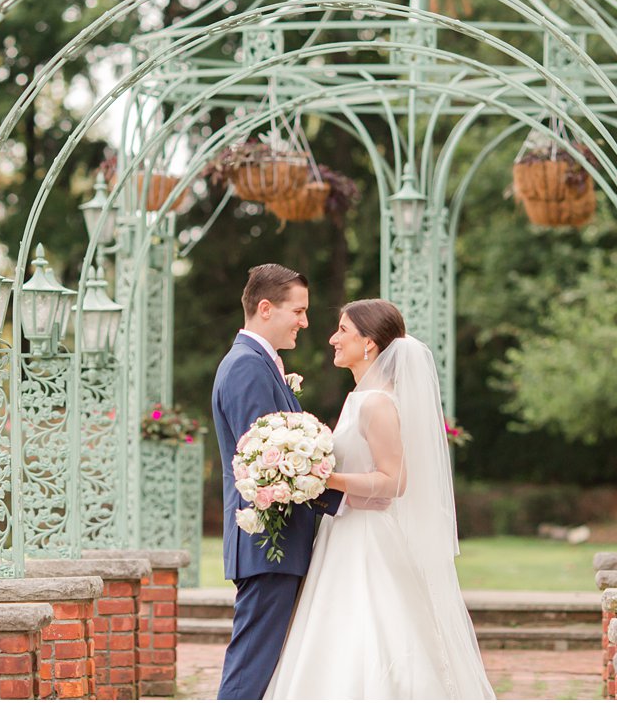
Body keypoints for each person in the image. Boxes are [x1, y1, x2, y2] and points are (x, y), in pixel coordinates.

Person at [265, 298, 495, 700]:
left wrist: (323, 477)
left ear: (369, 343)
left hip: (368, 538)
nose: (334, 338)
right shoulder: (360, 397)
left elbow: (394, 481)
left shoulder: (377, 403)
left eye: (343, 330)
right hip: (345, 531)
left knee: (371, 627)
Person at [211, 264, 343, 700]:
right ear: (266, 309)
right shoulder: (247, 367)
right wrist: (351, 497)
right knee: (252, 666)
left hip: (276, 544)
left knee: (268, 665)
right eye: (299, 311)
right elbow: (270, 465)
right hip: (269, 543)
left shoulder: (255, 363)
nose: (306, 322)